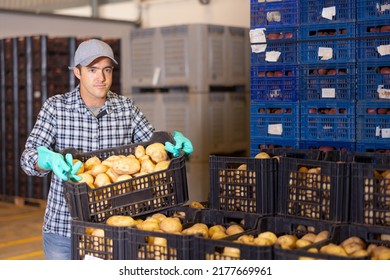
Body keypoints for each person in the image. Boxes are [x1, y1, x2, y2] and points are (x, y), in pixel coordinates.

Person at [20, 38, 193, 260]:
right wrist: (45, 160)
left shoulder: (126, 108)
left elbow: (152, 147)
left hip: (113, 228)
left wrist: (170, 142)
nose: (101, 78)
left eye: (107, 70)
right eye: (92, 70)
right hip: (64, 228)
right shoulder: (56, 107)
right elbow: (28, 158)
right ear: (77, 72)